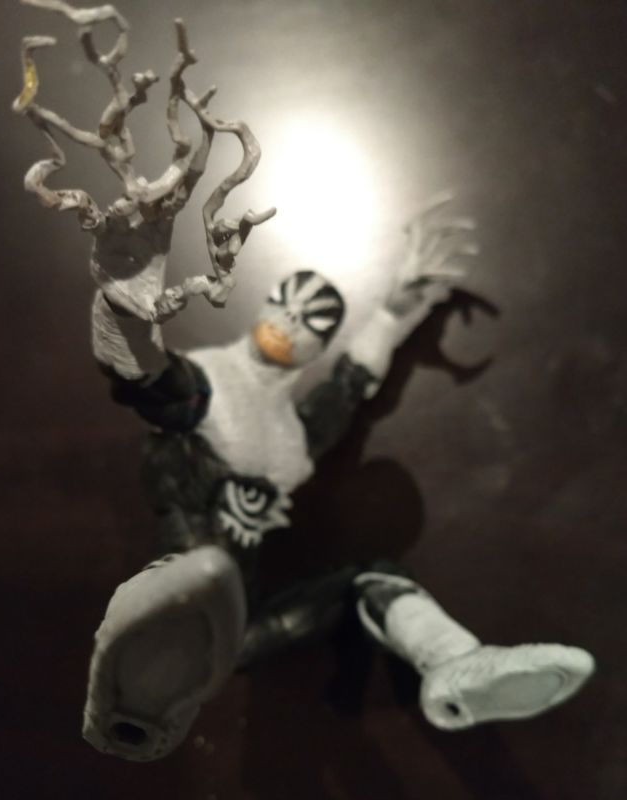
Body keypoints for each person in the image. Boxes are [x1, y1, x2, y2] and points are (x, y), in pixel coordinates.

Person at [83, 198, 594, 761]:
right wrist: (120, 300)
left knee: (370, 580)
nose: (288, 322)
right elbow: (147, 379)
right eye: (285, 304)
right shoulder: (207, 383)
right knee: (203, 573)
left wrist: (395, 313)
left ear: (319, 346)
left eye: (309, 322)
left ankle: (454, 662)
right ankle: (130, 703)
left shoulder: (292, 436)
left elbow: (350, 384)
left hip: (245, 627)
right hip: (170, 599)